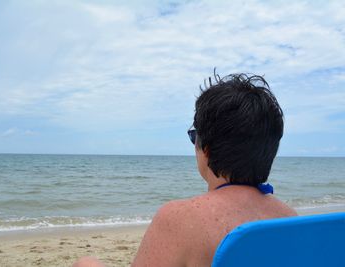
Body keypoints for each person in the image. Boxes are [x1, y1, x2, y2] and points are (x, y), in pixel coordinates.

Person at [73, 72, 297, 267]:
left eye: (194, 136)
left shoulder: (180, 219)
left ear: (206, 149)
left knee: (85, 263)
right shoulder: (289, 219)